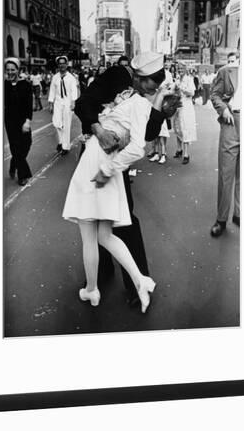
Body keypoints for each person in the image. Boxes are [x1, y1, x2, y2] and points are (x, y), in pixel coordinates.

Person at [64, 57, 179, 312]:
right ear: (138, 75)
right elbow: (84, 103)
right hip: (99, 150)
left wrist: (160, 108)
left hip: (114, 159)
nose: (152, 89)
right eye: (150, 83)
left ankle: (132, 283)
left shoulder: (146, 95)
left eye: (157, 85)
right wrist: (98, 130)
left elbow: (147, 135)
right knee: (101, 225)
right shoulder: (118, 75)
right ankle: (104, 276)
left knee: (118, 221)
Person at [209, 52, 241, 237]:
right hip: (232, 122)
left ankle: (239, 214)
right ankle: (221, 220)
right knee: (226, 174)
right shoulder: (226, 71)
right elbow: (215, 94)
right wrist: (223, 109)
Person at [4, 58, 33, 186]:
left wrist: (27, 121)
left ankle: (14, 163)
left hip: (23, 120)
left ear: (18, 70)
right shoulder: (4, 85)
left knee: (27, 143)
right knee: (15, 147)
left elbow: (28, 105)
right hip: (10, 121)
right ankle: (22, 176)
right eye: (8, 70)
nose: (10, 72)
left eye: (13, 69)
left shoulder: (25, 85)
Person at [48, 56, 78, 155]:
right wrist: (51, 103)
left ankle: (65, 146)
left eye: (63, 63)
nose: (62, 65)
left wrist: (73, 102)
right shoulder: (55, 77)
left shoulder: (71, 78)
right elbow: (52, 90)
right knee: (56, 123)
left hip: (67, 102)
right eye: (60, 63)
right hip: (58, 102)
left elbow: (74, 91)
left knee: (66, 124)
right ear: (58, 65)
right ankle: (61, 141)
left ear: (66, 64)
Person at [147, 66, 174, 164]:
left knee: (162, 132)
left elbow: (171, 90)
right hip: (154, 104)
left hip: (163, 106)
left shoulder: (168, 75)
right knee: (156, 133)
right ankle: (156, 153)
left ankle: (163, 154)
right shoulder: (152, 76)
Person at [173, 65, 197, 164]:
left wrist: (182, 88)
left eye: (182, 69)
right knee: (178, 128)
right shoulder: (178, 79)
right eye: (179, 69)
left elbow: (192, 93)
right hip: (178, 106)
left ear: (186, 70)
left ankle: (186, 154)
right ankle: (179, 149)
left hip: (186, 107)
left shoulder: (189, 79)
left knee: (185, 128)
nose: (180, 71)